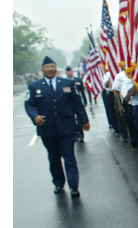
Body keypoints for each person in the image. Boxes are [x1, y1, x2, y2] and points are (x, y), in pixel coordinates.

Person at [25, 57, 90, 197]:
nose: (50, 69)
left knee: (69, 157)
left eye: (52, 66)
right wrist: (35, 116)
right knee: (54, 158)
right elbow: (29, 105)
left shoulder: (68, 83)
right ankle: (59, 183)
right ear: (42, 69)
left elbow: (77, 103)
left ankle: (74, 186)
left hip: (67, 128)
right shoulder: (34, 86)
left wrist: (84, 120)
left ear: (56, 68)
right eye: (47, 67)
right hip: (47, 129)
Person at [65, 67, 88, 142]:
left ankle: (81, 134)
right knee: (72, 120)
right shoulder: (64, 82)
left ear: (72, 72)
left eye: (70, 71)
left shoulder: (78, 80)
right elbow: (65, 94)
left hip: (78, 102)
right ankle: (75, 134)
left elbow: (82, 91)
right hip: (69, 103)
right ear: (66, 73)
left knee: (80, 119)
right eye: (68, 71)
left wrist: (85, 100)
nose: (69, 73)